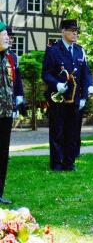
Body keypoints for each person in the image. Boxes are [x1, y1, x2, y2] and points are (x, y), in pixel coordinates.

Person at [42, 19, 93, 171]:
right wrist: (56, 84)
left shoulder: (79, 50)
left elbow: (86, 73)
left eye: (76, 31)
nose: (75, 33)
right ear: (63, 31)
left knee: (72, 132)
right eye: (72, 30)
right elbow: (45, 74)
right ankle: (57, 163)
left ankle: (69, 162)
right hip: (58, 98)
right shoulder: (53, 50)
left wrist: (87, 91)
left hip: (75, 99)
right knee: (57, 131)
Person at [0, 22, 23, 204]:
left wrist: (16, 105)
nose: (7, 37)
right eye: (3, 34)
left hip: (6, 113)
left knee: (3, 154)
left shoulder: (10, 58)